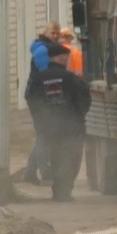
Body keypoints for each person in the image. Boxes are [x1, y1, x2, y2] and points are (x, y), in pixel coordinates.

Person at [21, 39, 91, 201]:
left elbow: (31, 99)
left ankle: (58, 191)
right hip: (71, 127)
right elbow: (84, 98)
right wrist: (79, 115)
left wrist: (40, 119)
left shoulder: (39, 79)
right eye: (65, 57)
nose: (68, 60)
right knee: (71, 159)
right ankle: (64, 191)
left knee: (56, 158)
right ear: (59, 58)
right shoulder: (70, 78)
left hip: (49, 128)